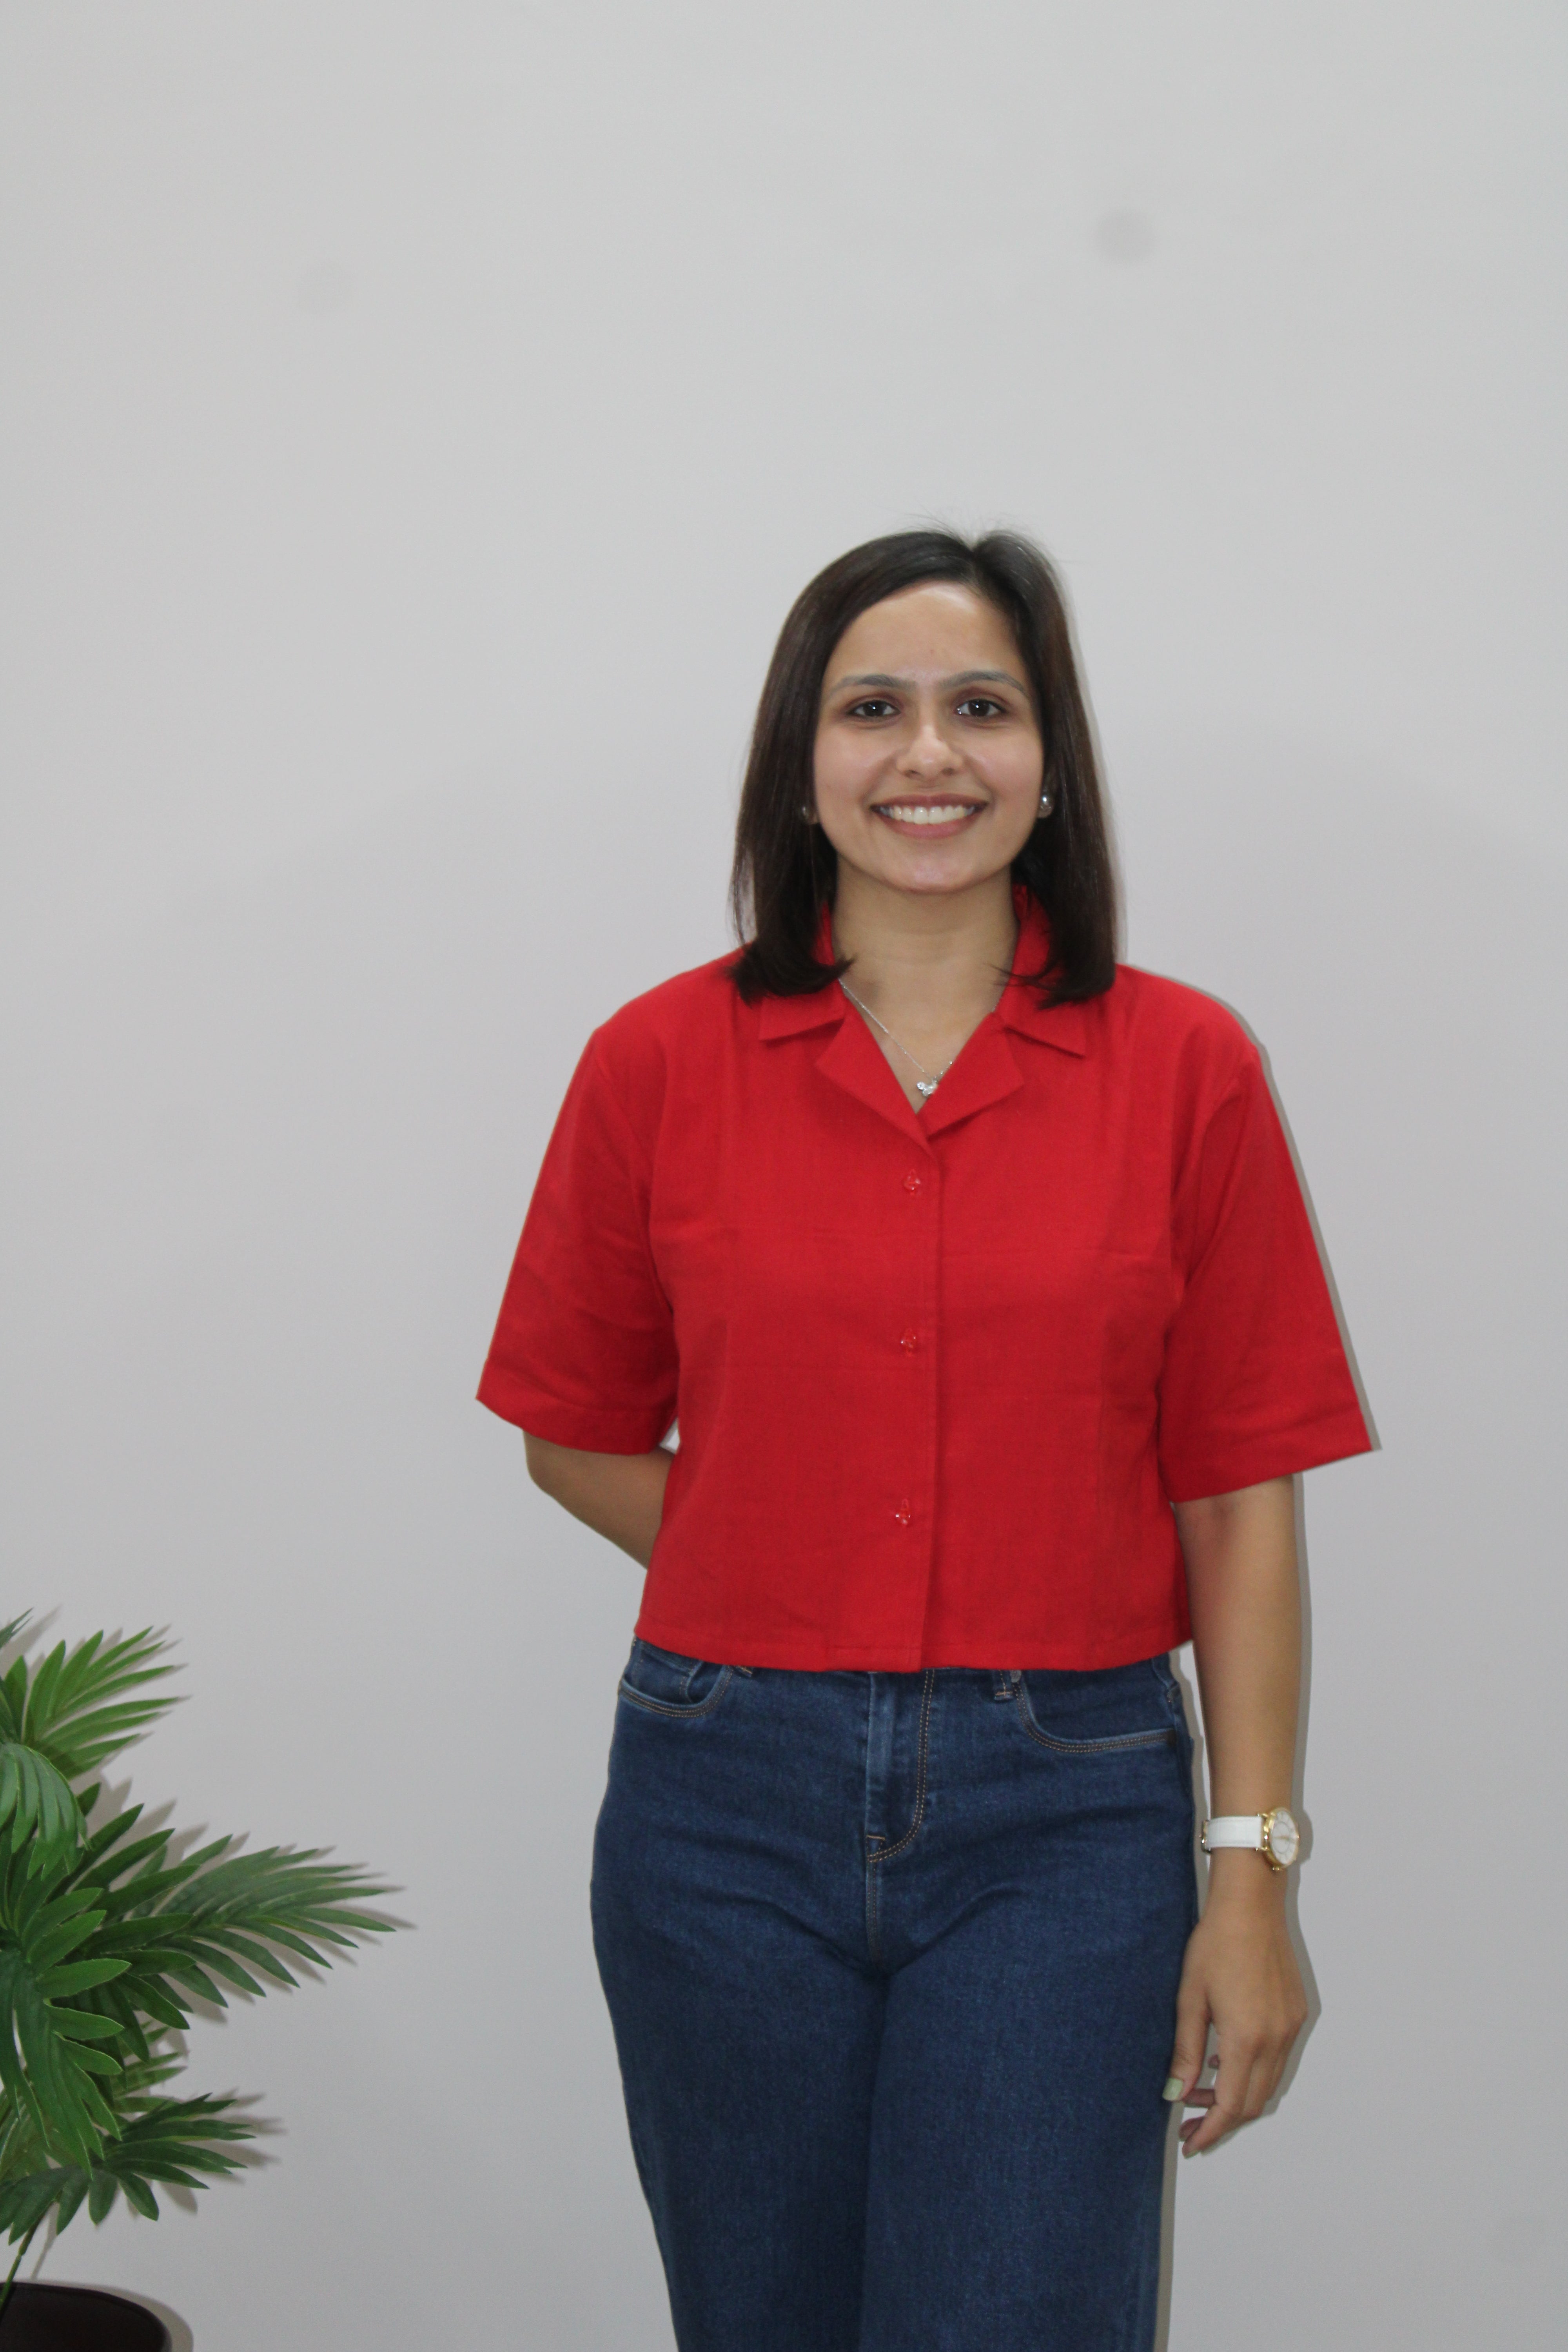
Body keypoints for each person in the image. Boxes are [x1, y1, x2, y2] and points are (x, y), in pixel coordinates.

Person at [477, 528, 1372, 2351]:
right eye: (870, 709)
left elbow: (1236, 1494)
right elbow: (569, 1437)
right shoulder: (656, 1064)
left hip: (1073, 1808)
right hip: (720, 1801)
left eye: (982, 708)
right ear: (799, 763)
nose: (927, 757)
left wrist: (1250, 1872)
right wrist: (814, 1556)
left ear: (1051, 765)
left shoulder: (1183, 1067)